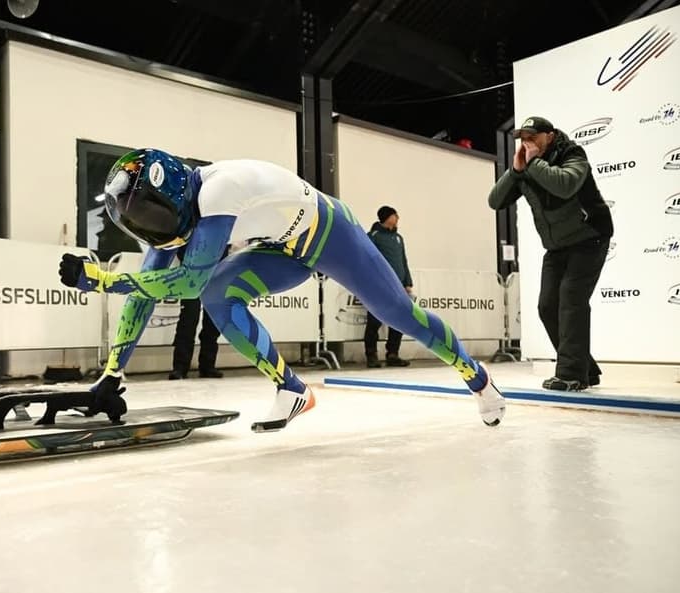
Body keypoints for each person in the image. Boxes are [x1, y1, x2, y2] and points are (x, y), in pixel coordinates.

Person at [59, 149, 506, 431]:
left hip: (331, 233)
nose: (152, 231)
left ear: (174, 195)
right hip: (281, 248)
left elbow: (187, 281)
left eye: (154, 218)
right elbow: (144, 292)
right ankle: (292, 391)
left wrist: (101, 279)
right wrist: (111, 375)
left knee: (398, 314)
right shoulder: (177, 217)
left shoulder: (219, 192)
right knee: (220, 294)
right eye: (141, 224)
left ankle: (478, 378)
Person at [488, 116, 613, 391]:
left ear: (550, 136)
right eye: (523, 138)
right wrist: (515, 170)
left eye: (533, 137)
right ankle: (585, 369)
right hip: (557, 247)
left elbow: (565, 184)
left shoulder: (572, 154)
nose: (527, 143)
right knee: (547, 307)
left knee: (571, 299)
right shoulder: (527, 166)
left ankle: (571, 374)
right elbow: (495, 201)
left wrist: (533, 164)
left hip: (589, 237)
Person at [365, 205, 413, 369]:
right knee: (374, 321)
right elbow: (367, 259)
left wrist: (407, 282)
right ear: (387, 217)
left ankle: (393, 353)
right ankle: (371, 355)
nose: (398, 217)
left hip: (398, 287)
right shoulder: (373, 236)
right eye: (395, 215)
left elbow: (403, 261)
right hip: (379, 286)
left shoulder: (399, 238)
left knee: (398, 320)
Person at [169, 246, 223, 380]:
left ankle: (208, 365)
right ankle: (180, 367)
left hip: (216, 273)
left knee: (212, 322)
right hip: (191, 273)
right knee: (188, 320)